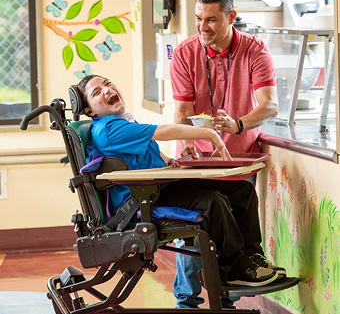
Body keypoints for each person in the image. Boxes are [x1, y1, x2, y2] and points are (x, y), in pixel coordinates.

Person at [75, 74, 280, 289]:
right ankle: (235, 269)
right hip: (143, 200)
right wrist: (208, 134)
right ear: (90, 111)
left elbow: (139, 150)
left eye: (108, 83)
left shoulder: (122, 121)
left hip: (157, 188)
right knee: (213, 201)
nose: (107, 90)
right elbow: (162, 131)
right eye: (96, 92)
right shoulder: (109, 129)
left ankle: (252, 258)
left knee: (241, 190)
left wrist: (166, 160)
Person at [170, 0, 283, 309]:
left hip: (238, 160)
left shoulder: (254, 50)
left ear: (231, 17)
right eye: (197, 18)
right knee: (194, 234)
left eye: (210, 19)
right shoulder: (185, 52)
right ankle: (186, 302)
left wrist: (238, 124)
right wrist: (189, 139)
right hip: (197, 162)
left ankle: (227, 302)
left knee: (234, 230)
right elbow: (182, 110)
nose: (201, 27)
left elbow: (269, 105)